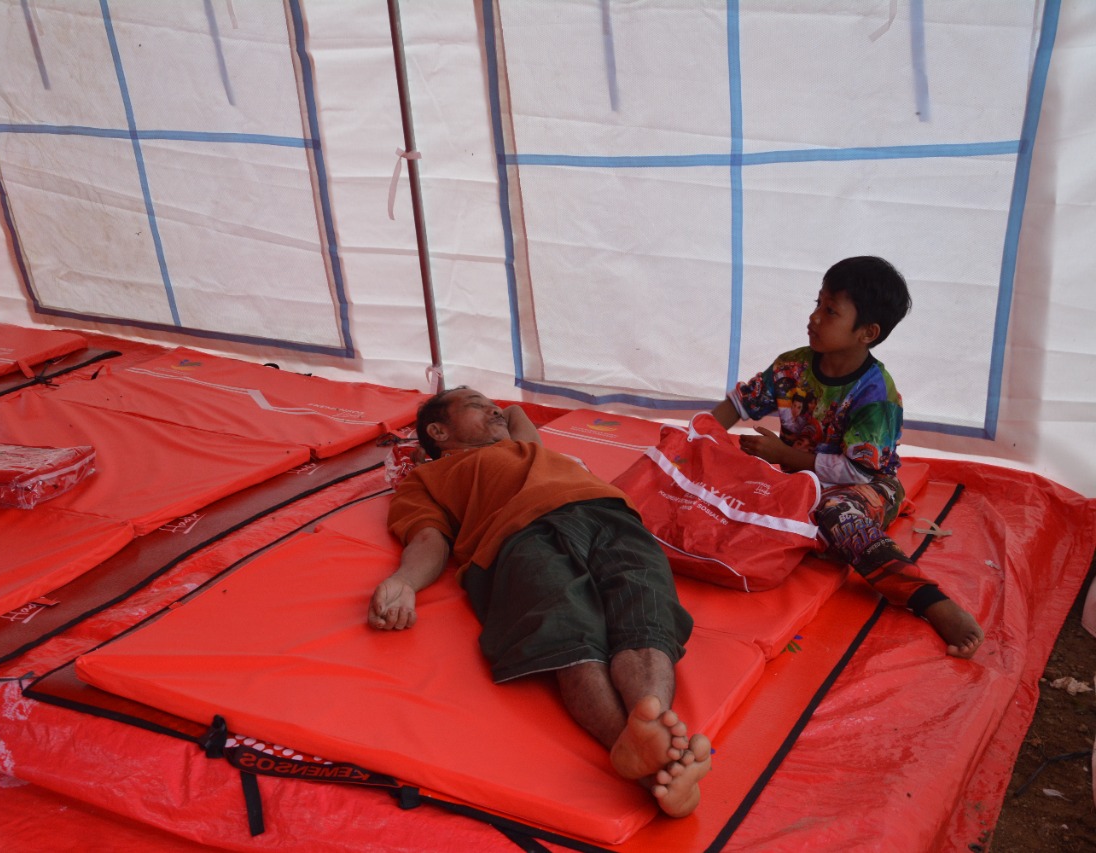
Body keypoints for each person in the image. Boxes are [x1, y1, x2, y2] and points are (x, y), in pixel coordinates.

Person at [368, 386, 711, 817]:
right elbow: (426, 538)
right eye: (477, 405)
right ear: (438, 430)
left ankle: (652, 739)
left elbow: (514, 413)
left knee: (645, 614)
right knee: (569, 634)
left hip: (608, 513)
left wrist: (490, 413)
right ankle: (650, 764)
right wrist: (404, 582)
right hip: (518, 536)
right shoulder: (425, 479)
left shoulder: (524, 446)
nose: (495, 409)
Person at [710, 255, 984, 658]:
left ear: (867, 333)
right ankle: (806, 533)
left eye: (830, 311)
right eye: (817, 304)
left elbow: (857, 469)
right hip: (797, 483)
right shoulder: (792, 367)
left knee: (835, 513)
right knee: (724, 482)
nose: (814, 318)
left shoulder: (877, 394)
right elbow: (739, 402)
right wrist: (699, 441)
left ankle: (929, 601)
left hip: (863, 487)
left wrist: (783, 454)